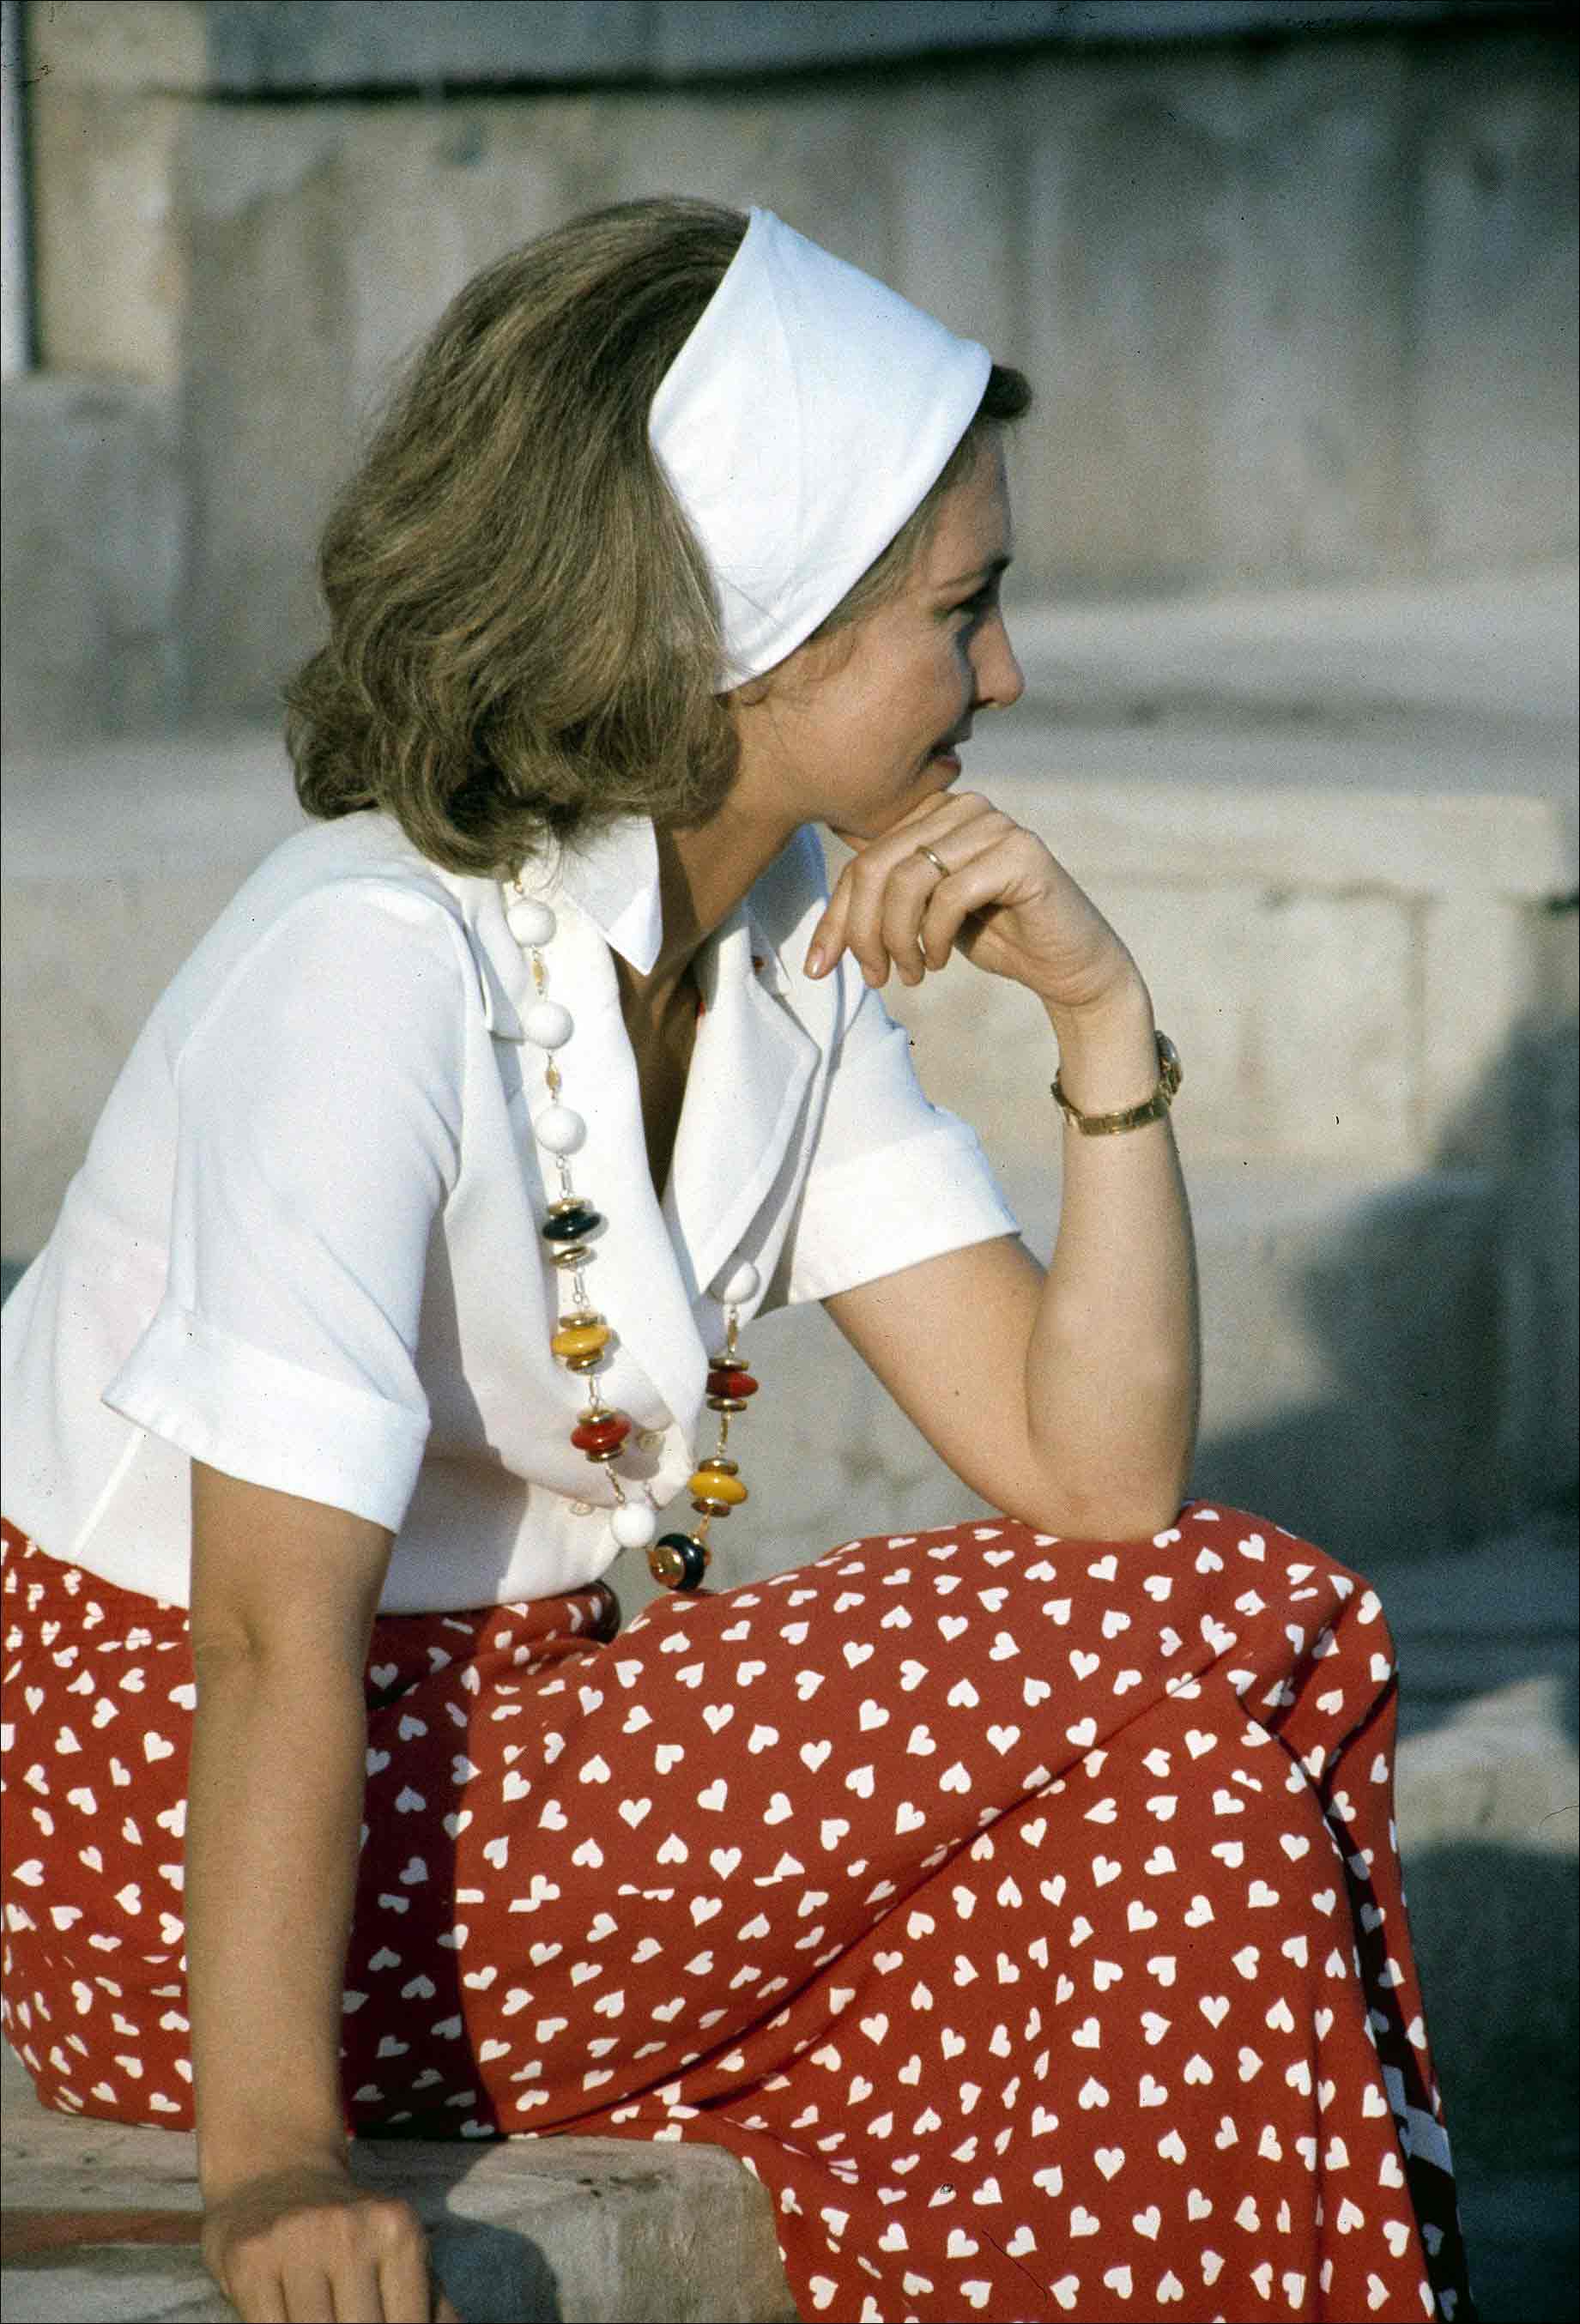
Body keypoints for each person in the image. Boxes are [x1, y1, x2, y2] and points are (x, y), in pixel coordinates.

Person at [0, 199, 1474, 2324]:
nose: (1006, 673)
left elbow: (1088, 1472)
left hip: (515, 1785)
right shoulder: (369, 964)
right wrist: (275, 2168)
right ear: (747, 631)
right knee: (1253, 1608)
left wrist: (1102, 1019)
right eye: (961, 611)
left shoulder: (777, 939)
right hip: (190, 1861)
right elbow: (259, 1631)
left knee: (1194, 1837)